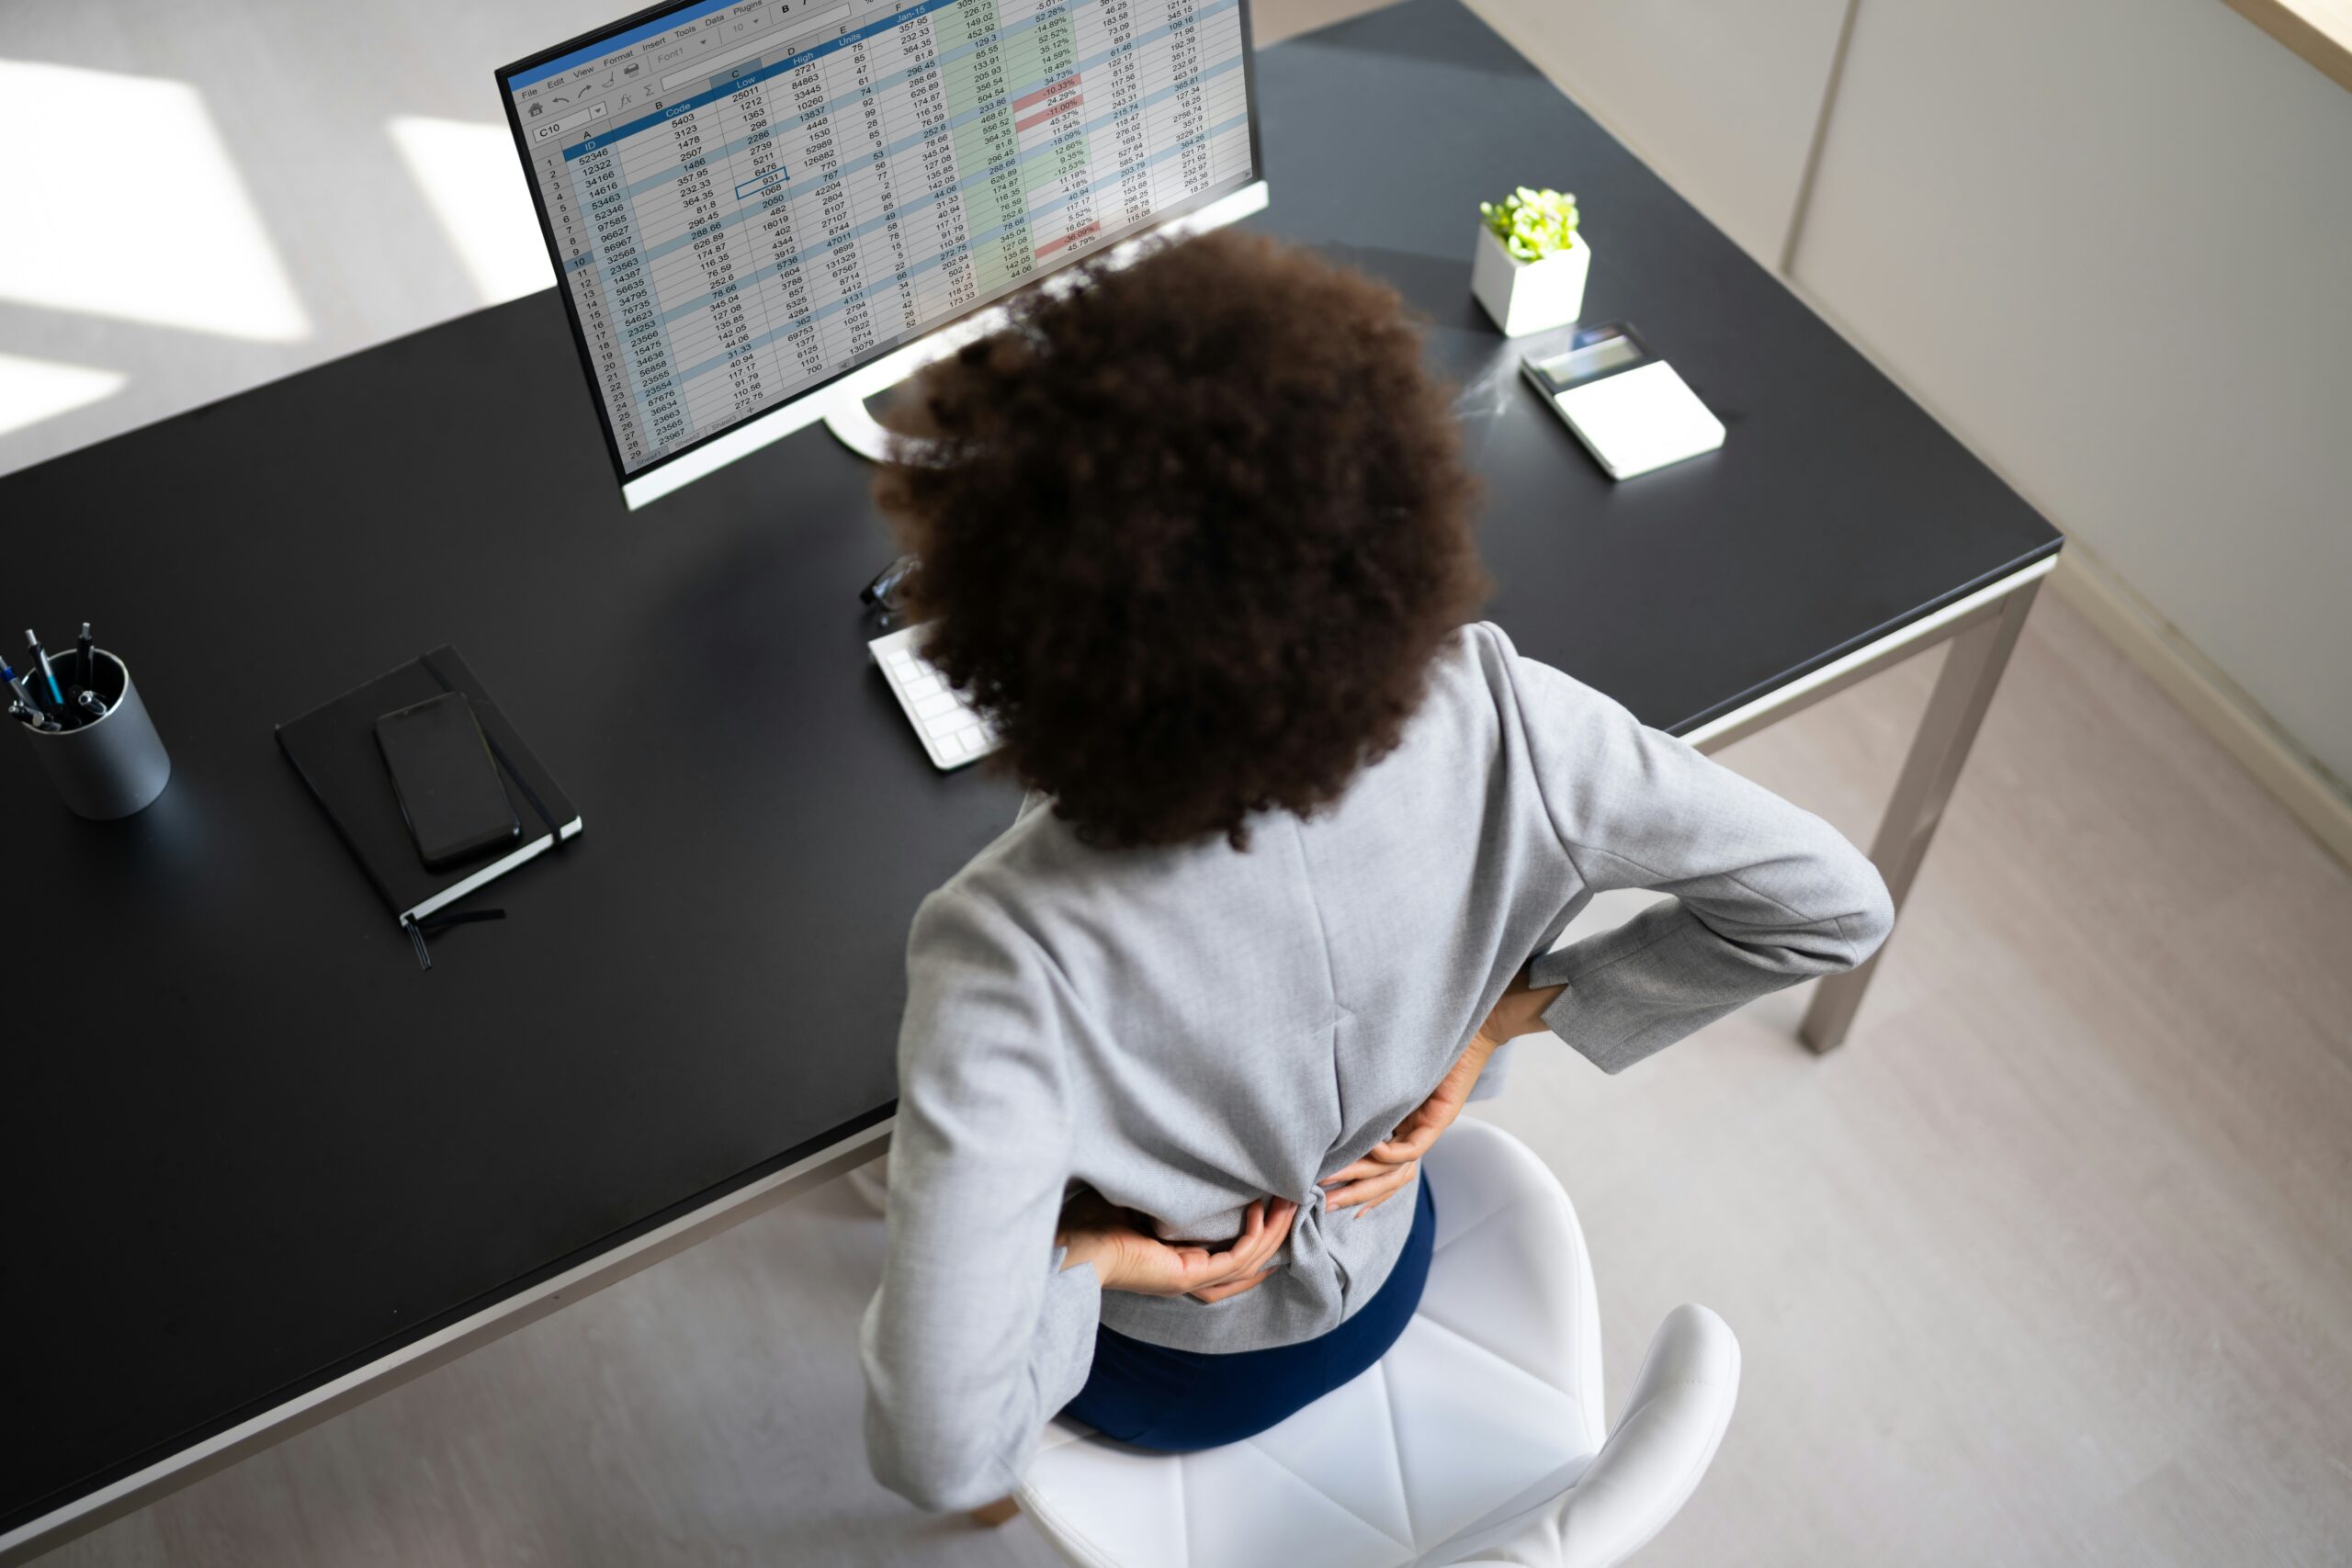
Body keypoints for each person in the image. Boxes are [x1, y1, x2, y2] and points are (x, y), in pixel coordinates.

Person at [859, 231, 1893, 1511]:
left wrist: (1094, 1263)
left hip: (1181, 1367)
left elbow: (940, 1455)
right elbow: (1839, 905)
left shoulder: (1002, 950)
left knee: (906, 1193)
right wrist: (1508, 1020)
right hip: (1388, 1264)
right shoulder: (1507, 711)